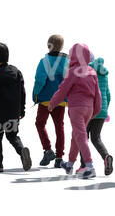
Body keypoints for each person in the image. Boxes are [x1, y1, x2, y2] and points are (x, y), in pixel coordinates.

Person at [49, 43, 102, 179]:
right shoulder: (92, 71)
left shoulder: (72, 71)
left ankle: (89, 166)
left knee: (80, 136)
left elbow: (63, 89)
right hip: (89, 109)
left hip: (76, 108)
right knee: (76, 136)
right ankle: (70, 163)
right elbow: (98, 93)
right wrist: (96, 109)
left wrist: (53, 103)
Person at [0, 42, 32, 172]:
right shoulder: (17, 72)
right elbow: (22, 92)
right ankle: (22, 150)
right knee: (12, 136)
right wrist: (21, 110)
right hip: (13, 112)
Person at [33, 34, 69, 168]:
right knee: (59, 127)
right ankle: (59, 157)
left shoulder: (44, 61)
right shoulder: (67, 61)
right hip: (61, 99)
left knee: (40, 123)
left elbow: (40, 80)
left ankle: (47, 150)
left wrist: (35, 95)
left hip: (46, 99)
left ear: (49, 45)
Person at [77, 56, 114, 176]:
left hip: (89, 109)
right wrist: (105, 111)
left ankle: (83, 165)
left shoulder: (85, 72)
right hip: (102, 110)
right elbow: (108, 94)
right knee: (96, 138)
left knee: (83, 138)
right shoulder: (104, 73)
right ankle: (106, 156)